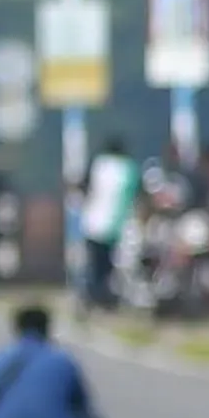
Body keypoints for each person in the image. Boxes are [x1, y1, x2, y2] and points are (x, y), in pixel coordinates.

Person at [77, 136, 139, 320]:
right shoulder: (129, 168)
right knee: (108, 266)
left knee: (94, 264)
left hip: (93, 221)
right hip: (118, 224)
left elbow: (83, 186)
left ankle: (91, 297)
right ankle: (105, 298)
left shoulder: (98, 164)